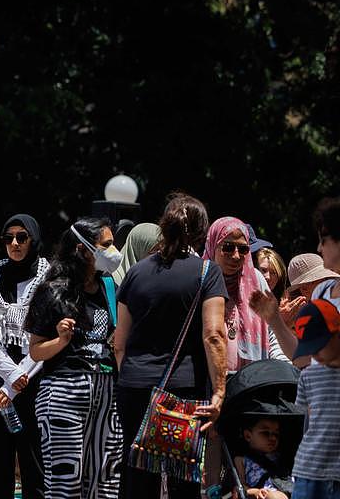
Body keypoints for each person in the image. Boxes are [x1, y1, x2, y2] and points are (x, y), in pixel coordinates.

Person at [114, 192, 228, 499]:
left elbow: (119, 343)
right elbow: (214, 334)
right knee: (182, 480)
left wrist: (135, 377)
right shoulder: (207, 272)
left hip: (135, 388)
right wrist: (219, 392)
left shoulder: (135, 273)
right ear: (202, 232)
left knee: (138, 479)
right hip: (184, 391)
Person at [25, 218, 123, 499]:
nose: (113, 251)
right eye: (106, 245)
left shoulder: (109, 288)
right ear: (83, 250)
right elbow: (36, 350)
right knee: (65, 480)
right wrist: (61, 341)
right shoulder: (53, 289)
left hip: (106, 388)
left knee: (106, 480)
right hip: (65, 388)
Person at [0, 213, 48, 499]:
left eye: (21, 237)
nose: (14, 243)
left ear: (33, 239)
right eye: (8, 238)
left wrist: (18, 379)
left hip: (34, 382)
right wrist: (10, 375)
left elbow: (47, 335)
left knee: (34, 465)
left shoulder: (48, 277)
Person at [204, 217, 287, 371]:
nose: (236, 256)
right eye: (228, 247)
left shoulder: (256, 281)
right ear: (212, 245)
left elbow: (270, 332)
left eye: (243, 249)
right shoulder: (200, 280)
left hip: (252, 383)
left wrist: (283, 367)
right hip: (208, 382)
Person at [288, 299, 340, 499]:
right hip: (307, 470)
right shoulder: (308, 376)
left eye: (318, 346)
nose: (314, 354)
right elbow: (307, 421)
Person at [232, 417, 289, 499]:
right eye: (265, 433)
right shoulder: (241, 459)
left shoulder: (279, 456)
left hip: (286, 488)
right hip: (263, 492)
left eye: (276, 434)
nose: (273, 438)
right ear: (248, 436)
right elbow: (240, 486)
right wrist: (255, 492)